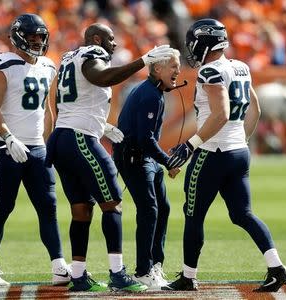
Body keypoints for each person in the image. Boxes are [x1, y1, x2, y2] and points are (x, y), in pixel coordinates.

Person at [163, 18, 286, 292]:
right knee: (243, 214)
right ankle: (277, 267)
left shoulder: (210, 71)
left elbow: (220, 114)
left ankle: (188, 276)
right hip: (238, 152)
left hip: (212, 153)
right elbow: (254, 108)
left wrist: (190, 145)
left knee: (194, 216)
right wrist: (241, 138)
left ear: (204, 43)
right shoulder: (241, 67)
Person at [46, 23, 175, 292]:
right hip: (80, 138)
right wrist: (143, 60)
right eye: (111, 39)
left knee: (82, 210)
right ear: (96, 39)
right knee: (113, 203)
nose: (114, 44)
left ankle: (79, 275)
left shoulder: (69, 57)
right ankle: (118, 273)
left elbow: (67, 99)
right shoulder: (92, 53)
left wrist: (101, 125)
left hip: (63, 137)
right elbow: (102, 78)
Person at [0, 14, 70, 286]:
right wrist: (8, 138)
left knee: (49, 207)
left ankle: (58, 266)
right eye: (32, 36)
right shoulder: (3, 63)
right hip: (8, 148)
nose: (37, 41)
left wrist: (46, 143)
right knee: (3, 208)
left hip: (37, 148)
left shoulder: (48, 66)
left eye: (41, 37)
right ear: (19, 36)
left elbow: (46, 109)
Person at [112, 49, 182, 289]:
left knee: (162, 207)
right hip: (134, 157)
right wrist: (168, 161)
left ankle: (154, 264)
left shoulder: (153, 91)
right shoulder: (151, 94)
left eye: (178, 65)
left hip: (143, 157)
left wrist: (161, 161)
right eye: (173, 66)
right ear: (157, 68)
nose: (177, 70)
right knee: (150, 210)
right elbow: (144, 139)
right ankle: (143, 270)